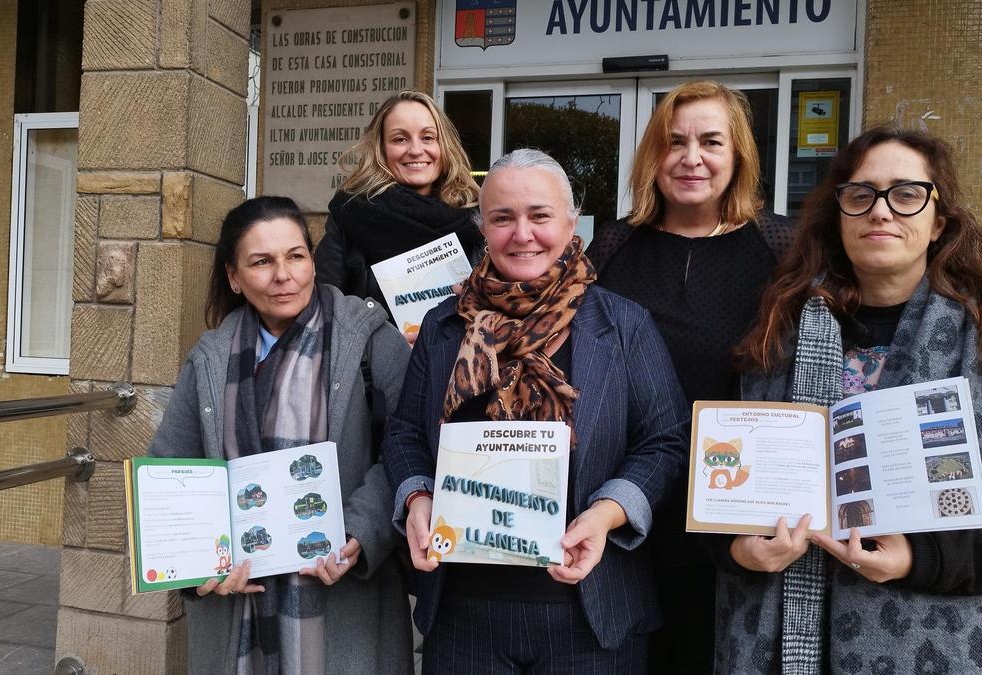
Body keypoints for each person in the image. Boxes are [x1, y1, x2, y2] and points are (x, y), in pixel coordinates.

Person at [719, 125, 982, 673]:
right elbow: (712, 497)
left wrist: (920, 557)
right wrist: (738, 551)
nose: (880, 212)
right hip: (768, 641)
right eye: (860, 195)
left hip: (931, 639)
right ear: (838, 217)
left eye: (906, 195)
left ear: (939, 222)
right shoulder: (770, 336)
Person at [382, 149, 689, 672]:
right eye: (503, 218)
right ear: (483, 228)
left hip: (591, 613)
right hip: (464, 613)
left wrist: (607, 512)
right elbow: (405, 432)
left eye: (540, 216)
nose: (522, 234)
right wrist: (416, 496)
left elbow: (666, 440)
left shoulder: (623, 325)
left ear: (573, 225)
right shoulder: (444, 325)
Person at [147, 196, 414, 674]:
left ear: (313, 261)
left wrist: (359, 530)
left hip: (342, 599)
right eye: (261, 262)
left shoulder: (372, 342)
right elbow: (172, 467)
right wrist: (197, 567)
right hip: (237, 608)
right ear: (234, 277)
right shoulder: (210, 359)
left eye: (295, 256)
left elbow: (408, 447)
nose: (283, 275)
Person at [584, 80, 793, 672]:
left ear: (740, 156)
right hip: (625, 509)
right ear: (654, 155)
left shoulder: (781, 247)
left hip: (738, 516)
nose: (691, 158)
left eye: (710, 142)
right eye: (674, 142)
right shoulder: (613, 248)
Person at [314, 89, 484, 335]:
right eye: (400, 139)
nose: (415, 150)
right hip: (376, 368)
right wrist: (382, 348)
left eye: (427, 137)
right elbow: (325, 309)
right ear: (381, 149)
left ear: (443, 145)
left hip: (459, 363)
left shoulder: (476, 216)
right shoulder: (351, 212)